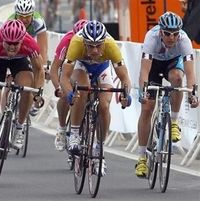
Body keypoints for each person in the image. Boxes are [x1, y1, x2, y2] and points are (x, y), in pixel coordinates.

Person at [60, 20, 132, 176]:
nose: (94, 50)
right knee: (82, 90)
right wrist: (69, 93)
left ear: (104, 43)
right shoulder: (76, 43)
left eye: (98, 45)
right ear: (84, 42)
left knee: (104, 106)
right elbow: (64, 77)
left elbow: (125, 77)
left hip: (102, 67)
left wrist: (126, 94)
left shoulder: (111, 45)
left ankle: (99, 148)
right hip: (81, 65)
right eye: (90, 46)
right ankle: (74, 134)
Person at [135, 11, 199, 178]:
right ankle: (142, 157)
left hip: (172, 63)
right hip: (153, 66)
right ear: (160, 31)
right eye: (168, 34)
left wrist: (194, 93)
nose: (172, 38)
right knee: (147, 108)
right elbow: (144, 72)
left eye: (175, 34)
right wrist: (143, 91)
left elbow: (191, 73)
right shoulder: (151, 37)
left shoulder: (184, 40)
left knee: (178, 78)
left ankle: (174, 122)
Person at [0, 19, 44, 170]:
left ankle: (19, 127)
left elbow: (39, 70)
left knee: (27, 89)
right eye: (8, 43)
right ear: (2, 39)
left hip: (19, 61)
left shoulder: (29, 43)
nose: (12, 47)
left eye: (15, 44)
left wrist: (38, 92)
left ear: (22, 40)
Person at [50, 19, 88, 151]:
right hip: (70, 65)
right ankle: (61, 128)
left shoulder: (96, 42)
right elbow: (54, 69)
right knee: (66, 94)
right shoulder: (67, 41)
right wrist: (58, 88)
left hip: (88, 64)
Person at [8, 0, 48, 116]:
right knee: (9, 81)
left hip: (31, 45)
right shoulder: (11, 22)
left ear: (32, 14)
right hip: (14, 45)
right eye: (21, 16)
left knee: (39, 69)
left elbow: (42, 48)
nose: (24, 19)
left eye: (27, 16)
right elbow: (7, 48)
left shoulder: (38, 21)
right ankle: (6, 113)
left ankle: (36, 100)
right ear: (16, 14)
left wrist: (44, 66)